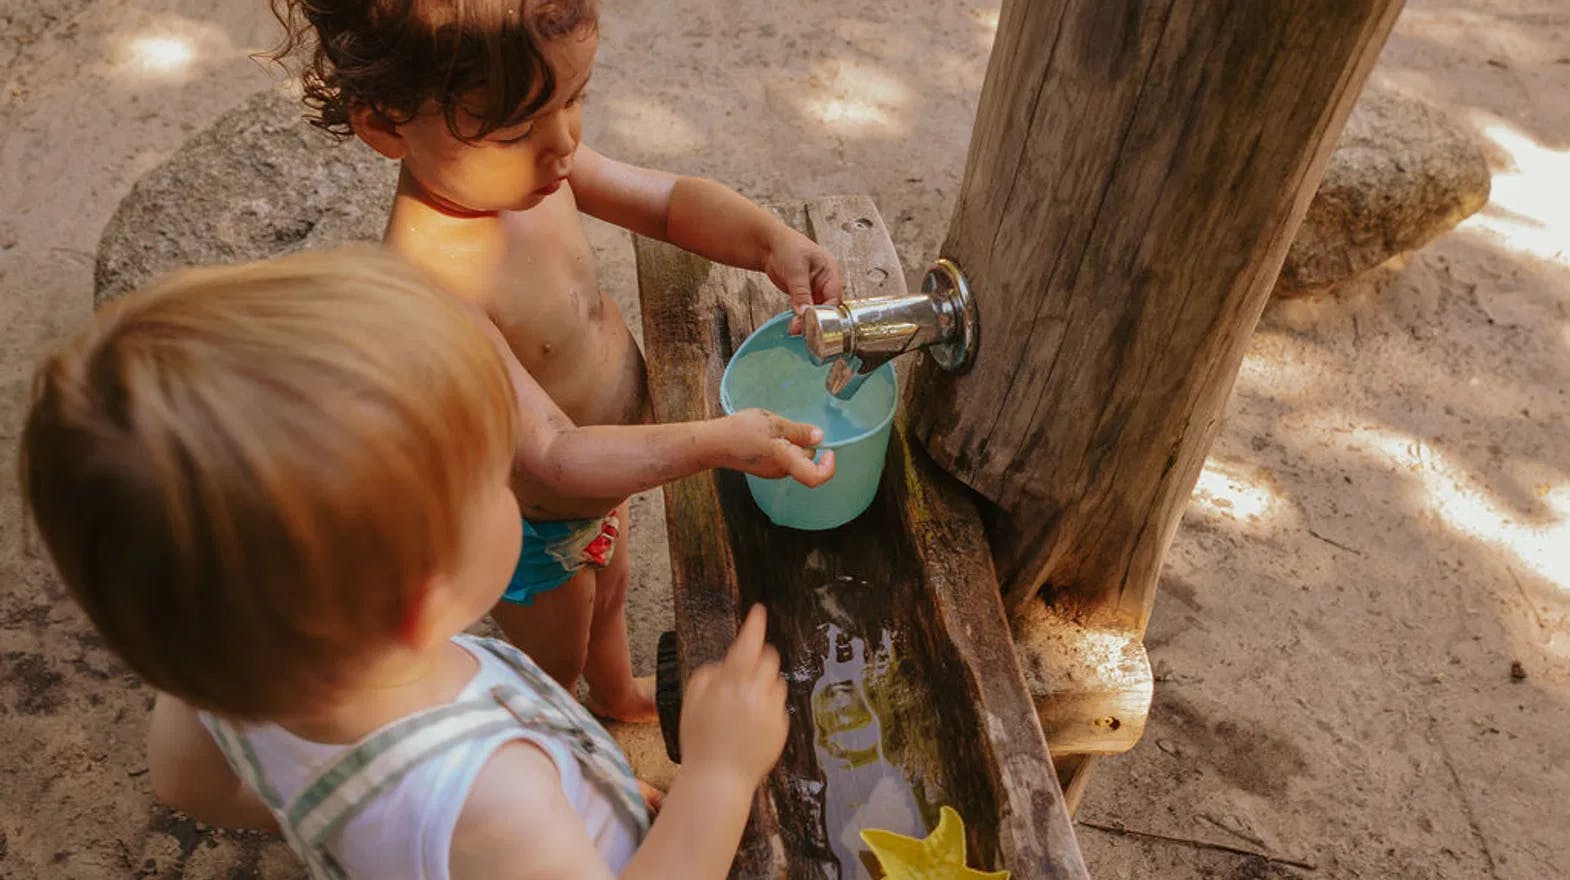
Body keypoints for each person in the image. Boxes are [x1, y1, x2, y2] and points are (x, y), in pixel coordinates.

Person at [19, 247, 792, 879]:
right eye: (497, 484)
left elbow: (187, 785)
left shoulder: (226, 663)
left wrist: (367, 825)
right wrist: (716, 781)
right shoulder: (495, 801)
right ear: (421, 604)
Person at [270, 0, 845, 722]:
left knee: (610, 598)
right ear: (386, 125)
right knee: (552, 667)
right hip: (531, 532)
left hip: (607, 478)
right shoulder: (434, 284)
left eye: (574, 100)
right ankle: (564, 752)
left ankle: (615, 696)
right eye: (516, 130)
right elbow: (550, 453)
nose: (564, 145)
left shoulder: (532, 170)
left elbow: (667, 203)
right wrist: (719, 444)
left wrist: (769, 242)